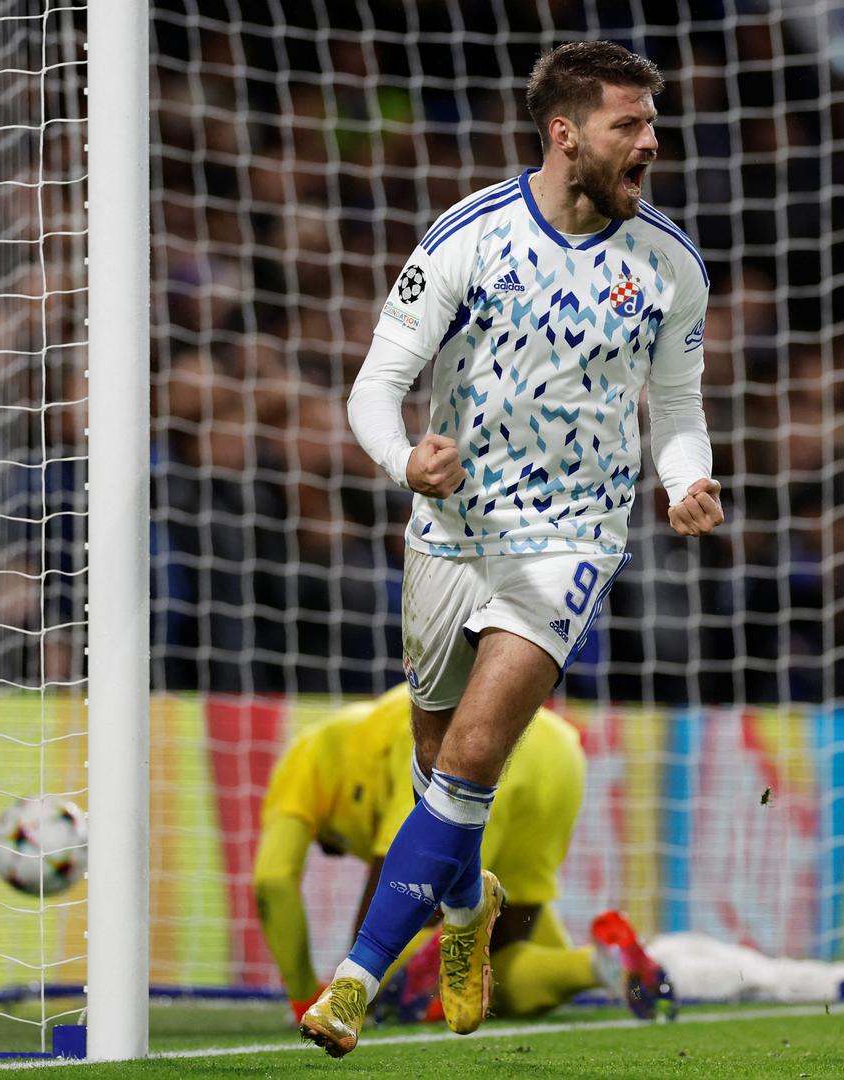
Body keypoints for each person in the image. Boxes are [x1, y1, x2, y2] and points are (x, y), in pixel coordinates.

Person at [299, 41, 723, 1057]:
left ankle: (353, 984)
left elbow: (676, 407)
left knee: (475, 756)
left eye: (652, 122)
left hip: (573, 539)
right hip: (451, 533)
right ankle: (465, 909)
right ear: (564, 134)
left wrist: (684, 481)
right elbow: (373, 388)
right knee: (437, 762)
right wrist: (405, 460)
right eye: (629, 124)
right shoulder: (469, 238)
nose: (650, 143)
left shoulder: (669, 266)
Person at [252, 684, 674, 1025]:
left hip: (467, 748)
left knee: (365, 983)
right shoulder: (361, 727)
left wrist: (303, 995)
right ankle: (599, 963)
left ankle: (423, 975)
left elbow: (272, 880)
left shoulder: (304, 758)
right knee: (495, 966)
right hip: (558, 752)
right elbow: (536, 925)